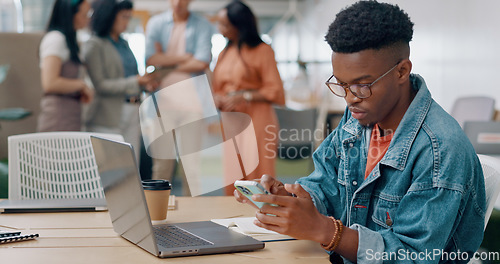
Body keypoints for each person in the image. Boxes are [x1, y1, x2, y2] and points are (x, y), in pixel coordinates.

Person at [235, 1, 486, 263]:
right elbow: (327, 182)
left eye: (362, 85)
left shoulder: (440, 150)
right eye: (341, 84)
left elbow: (413, 257)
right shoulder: (361, 117)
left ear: (402, 71)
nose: (349, 98)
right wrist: (293, 198)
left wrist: (326, 231)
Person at [213, 0, 285, 195]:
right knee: (234, 174)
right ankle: (232, 220)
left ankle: (263, 220)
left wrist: (243, 96)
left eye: (225, 25)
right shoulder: (224, 53)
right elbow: (216, 88)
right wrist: (218, 98)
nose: (220, 29)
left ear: (240, 25)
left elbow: (276, 91)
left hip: (257, 120)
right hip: (231, 122)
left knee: (258, 173)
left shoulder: (263, 51)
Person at [144, 0, 213, 195]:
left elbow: (202, 61)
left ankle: (195, 219)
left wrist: (165, 63)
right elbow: (150, 58)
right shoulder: (156, 23)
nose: (178, 2)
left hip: (193, 106)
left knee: (192, 167)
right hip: (162, 106)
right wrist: (185, 57)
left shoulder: (202, 25)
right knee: (161, 167)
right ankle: (159, 213)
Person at [82, 0, 157, 160]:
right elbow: (100, 85)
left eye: (129, 17)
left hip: (133, 109)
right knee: (111, 168)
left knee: (132, 164)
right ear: (109, 17)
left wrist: (145, 84)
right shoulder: (94, 45)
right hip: (109, 115)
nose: (126, 22)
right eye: (123, 17)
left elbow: (132, 76)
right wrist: (136, 81)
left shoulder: (124, 44)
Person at [37, 0, 93, 132]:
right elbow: (50, 83)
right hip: (57, 117)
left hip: (69, 115)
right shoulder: (56, 39)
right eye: (84, 15)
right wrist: (81, 85)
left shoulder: (70, 40)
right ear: (70, 14)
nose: (88, 19)